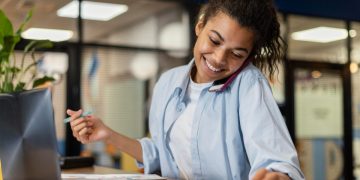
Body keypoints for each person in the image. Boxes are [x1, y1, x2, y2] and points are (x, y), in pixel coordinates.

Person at [67, 0, 305, 179]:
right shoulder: (168, 82)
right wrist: (107, 134)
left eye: (237, 54)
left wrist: (279, 175)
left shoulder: (249, 85)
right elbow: (161, 154)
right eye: (214, 40)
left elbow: (278, 160)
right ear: (199, 26)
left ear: (249, 57)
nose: (219, 58)